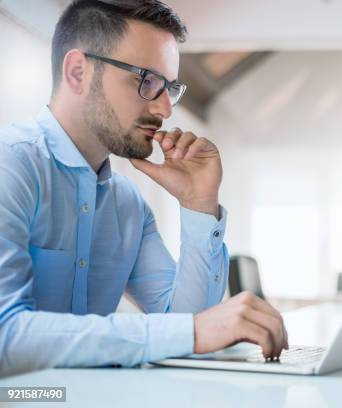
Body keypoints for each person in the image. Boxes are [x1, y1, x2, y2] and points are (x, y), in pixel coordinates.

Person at [0, 0, 287, 376]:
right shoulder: (11, 165)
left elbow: (189, 325)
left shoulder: (126, 203)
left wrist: (199, 204)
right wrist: (193, 332)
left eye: (169, 87)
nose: (166, 109)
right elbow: (6, 336)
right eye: (147, 81)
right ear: (77, 72)